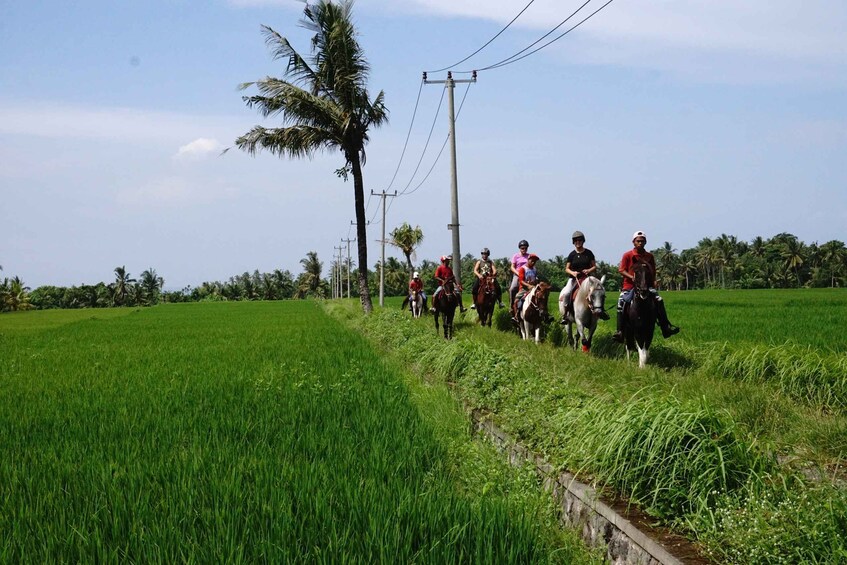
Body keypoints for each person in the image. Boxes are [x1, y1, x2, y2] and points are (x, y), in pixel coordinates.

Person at [612, 231, 680, 342]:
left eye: (642, 241)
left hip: (646, 286)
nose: (640, 243)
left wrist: (653, 281)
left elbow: (652, 271)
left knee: (659, 300)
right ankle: (620, 331)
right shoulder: (628, 255)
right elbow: (621, 270)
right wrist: (632, 277)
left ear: (645, 242)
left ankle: (665, 327)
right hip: (629, 286)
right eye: (638, 241)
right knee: (621, 302)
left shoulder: (649, 256)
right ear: (633, 242)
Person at [560, 231, 609, 323]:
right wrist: (573, 272)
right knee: (566, 293)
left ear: (583, 241)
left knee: (598, 293)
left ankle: (601, 311)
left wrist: (588, 270)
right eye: (576, 240)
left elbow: (594, 266)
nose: (578, 242)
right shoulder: (572, 255)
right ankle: (565, 315)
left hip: (587, 279)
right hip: (574, 279)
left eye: (580, 240)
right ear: (573, 242)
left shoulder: (589, 253)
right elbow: (567, 268)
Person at [512, 253, 539, 322]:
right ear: (528, 260)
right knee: (517, 300)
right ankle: (516, 316)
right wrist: (528, 285)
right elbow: (521, 281)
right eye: (532, 261)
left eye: (535, 262)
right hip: (524, 289)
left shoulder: (535, 269)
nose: (533, 263)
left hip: (533, 288)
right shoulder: (523, 269)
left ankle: (544, 315)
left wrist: (536, 281)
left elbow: (535, 278)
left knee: (541, 298)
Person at [509, 240, 531, 308]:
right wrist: (518, 273)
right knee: (512, 289)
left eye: (525, 248)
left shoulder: (529, 256)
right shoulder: (515, 256)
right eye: (522, 248)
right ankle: (511, 305)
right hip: (517, 275)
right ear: (520, 248)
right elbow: (512, 267)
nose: (524, 250)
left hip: (527, 275)